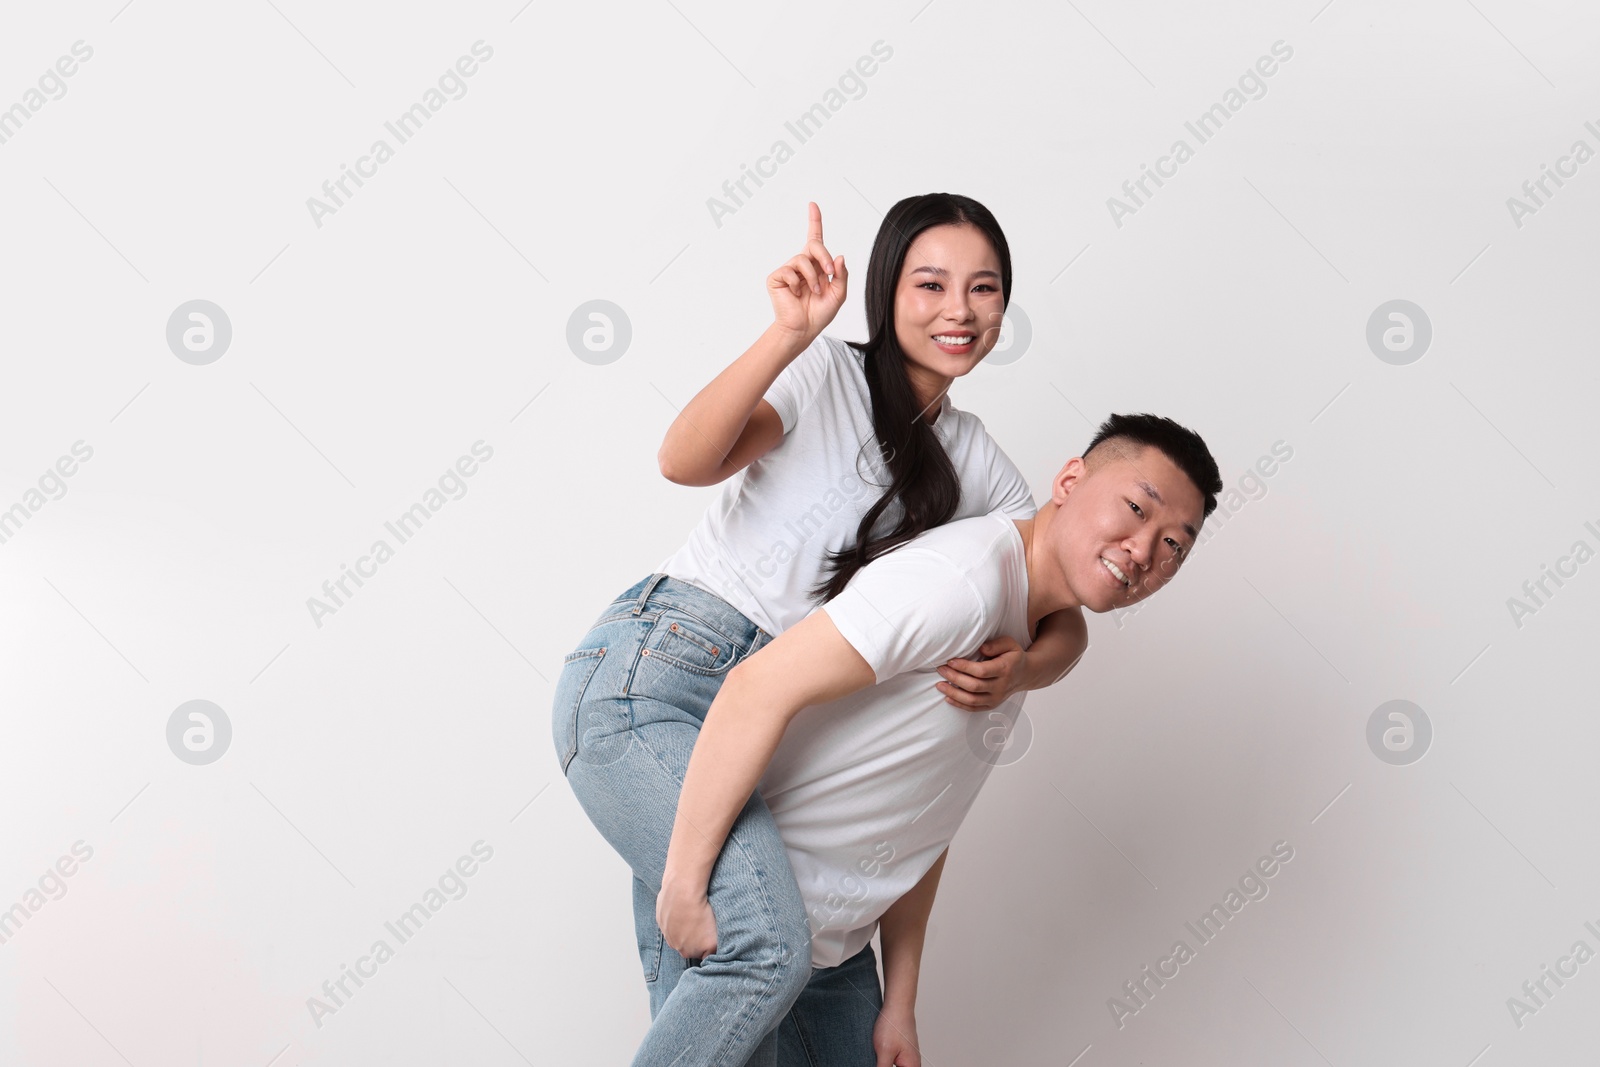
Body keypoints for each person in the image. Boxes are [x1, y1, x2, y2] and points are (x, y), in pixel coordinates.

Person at [553, 193, 1091, 1067]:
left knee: (790, 972)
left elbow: (1062, 602)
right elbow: (683, 460)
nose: (959, 310)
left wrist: (1022, 668)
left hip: (767, 738)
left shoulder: (979, 464)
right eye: (932, 284)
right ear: (886, 289)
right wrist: (785, 336)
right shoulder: (828, 372)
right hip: (657, 676)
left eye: (984, 289)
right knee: (763, 944)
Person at [661, 413, 1223, 1065]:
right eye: (1134, 507)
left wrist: (900, 1003)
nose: (1144, 549)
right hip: (747, 926)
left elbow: (924, 825)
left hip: (836, 958)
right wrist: (685, 885)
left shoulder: (1017, 639)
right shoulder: (961, 584)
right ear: (1070, 479)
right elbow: (753, 689)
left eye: (1174, 545)